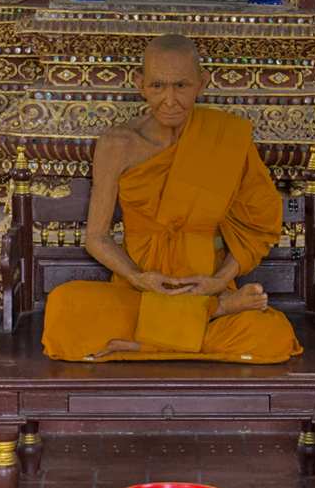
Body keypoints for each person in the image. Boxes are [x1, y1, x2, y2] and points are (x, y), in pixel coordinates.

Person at [41, 35, 300, 362]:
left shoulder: (226, 137)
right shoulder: (118, 144)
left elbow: (258, 227)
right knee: (65, 309)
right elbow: (97, 237)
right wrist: (137, 277)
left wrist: (218, 282)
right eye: (158, 86)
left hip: (204, 284)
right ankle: (211, 314)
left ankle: (159, 336)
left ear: (201, 83)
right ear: (140, 84)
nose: (170, 99)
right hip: (141, 290)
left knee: (272, 336)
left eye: (181, 85)